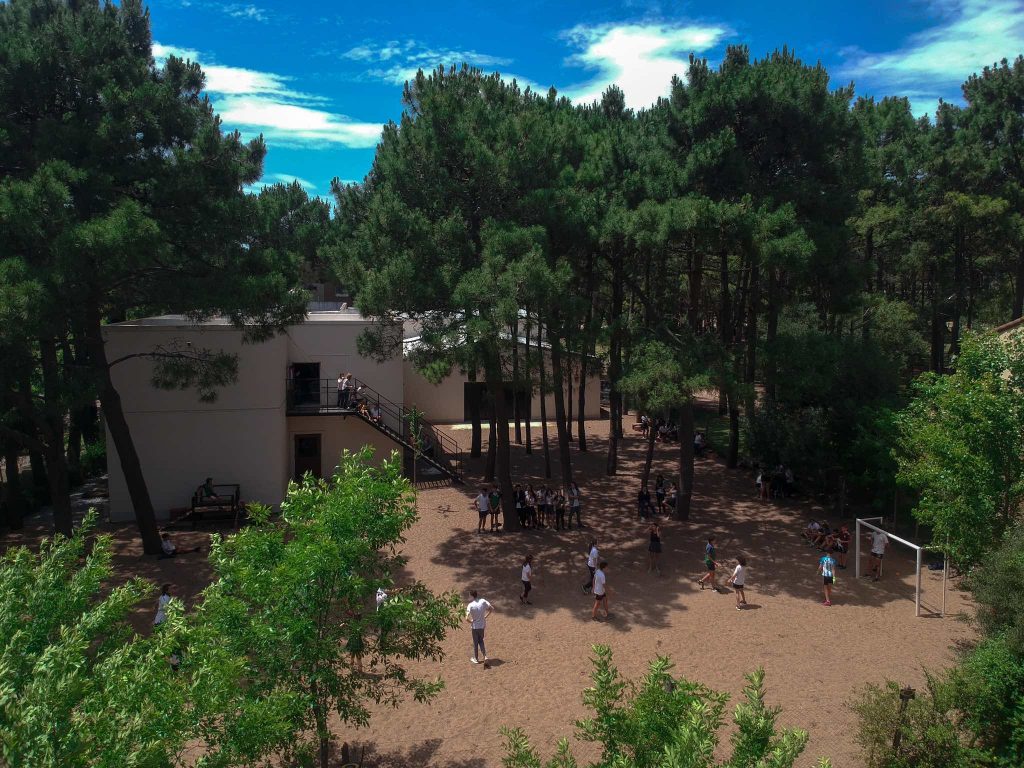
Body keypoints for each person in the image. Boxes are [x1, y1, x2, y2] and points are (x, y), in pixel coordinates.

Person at [466, 590, 493, 666]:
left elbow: (466, 618)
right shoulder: (483, 601)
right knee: (481, 641)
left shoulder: (470, 605)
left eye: (469, 596)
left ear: (472, 596)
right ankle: (485, 656)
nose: (468, 597)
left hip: (475, 627)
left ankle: (476, 658)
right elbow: (491, 609)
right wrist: (485, 616)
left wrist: (471, 622)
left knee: (475, 643)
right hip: (482, 625)